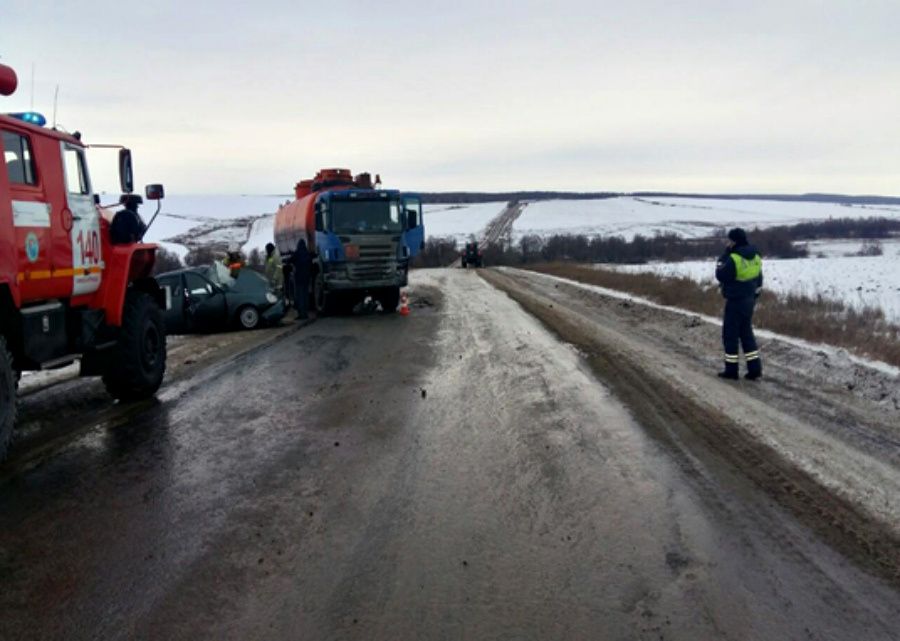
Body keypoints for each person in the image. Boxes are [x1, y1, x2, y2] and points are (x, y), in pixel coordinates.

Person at [715, 228, 763, 380]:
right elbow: (759, 278)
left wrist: (725, 255)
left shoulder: (734, 258)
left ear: (734, 241)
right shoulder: (755, 256)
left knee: (730, 335)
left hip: (735, 300)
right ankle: (754, 369)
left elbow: (720, 274)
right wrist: (754, 295)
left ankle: (731, 370)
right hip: (749, 300)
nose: (728, 243)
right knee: (746, 333)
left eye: (729, 240)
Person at [292, 239, 312, 319]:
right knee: (305, 296)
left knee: (300, 297)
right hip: (306, 279)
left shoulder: (297, 254)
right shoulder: (307, 254)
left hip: (299, 279)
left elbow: (290, 260)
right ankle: (306, 313)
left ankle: (301, 314)